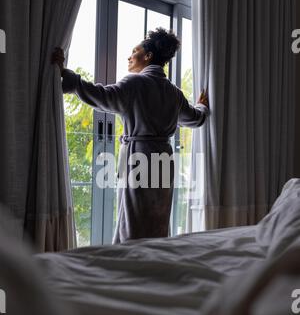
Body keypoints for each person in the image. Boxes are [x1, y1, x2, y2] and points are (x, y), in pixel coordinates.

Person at [52, 28, 209, 244]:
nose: (129, 56)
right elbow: (196, 118)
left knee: (133, 220)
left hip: (139, 158)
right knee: (158, 219)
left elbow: (101, 96)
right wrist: (203, 106)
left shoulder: (135, 83)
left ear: (148, 56)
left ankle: (130, 265)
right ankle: (156, 263)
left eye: (134, 51)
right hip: (164, 160)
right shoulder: (174, 92)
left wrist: (66, 76)